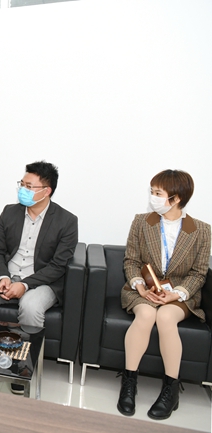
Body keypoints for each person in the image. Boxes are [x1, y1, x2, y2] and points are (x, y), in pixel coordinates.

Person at [0, 161, 78, 392]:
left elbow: (58, 266)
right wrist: (3, 276)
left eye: (29, 186)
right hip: (7, 275)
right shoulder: (10, 212)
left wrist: (25, 285)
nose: (22, 190)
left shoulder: (67, 221)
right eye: (22, 184)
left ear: (46, 191)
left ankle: (22, 370)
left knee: (31, 307)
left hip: (42, 281)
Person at [117, 169, 210, 420]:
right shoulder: (141, 222)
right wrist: (140, 287)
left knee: (166, 317)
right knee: (146, 315)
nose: (153, 197)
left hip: (179, 295)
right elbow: (131, 261)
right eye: (152, 192)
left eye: (158, 193)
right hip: (143, 290)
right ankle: (129, 383)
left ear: (176, 198)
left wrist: (176, 294)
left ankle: (170, 389)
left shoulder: (202, 230)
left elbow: (199, 273)